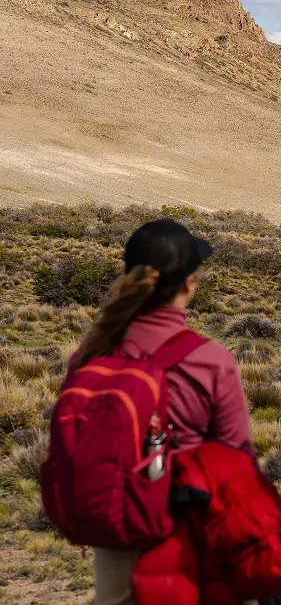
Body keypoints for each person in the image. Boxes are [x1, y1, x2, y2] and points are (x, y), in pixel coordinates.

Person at [68, 219, 253, 605]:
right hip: (187, 538)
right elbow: (237, 462)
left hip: (116, 535)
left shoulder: (91, 352)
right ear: (189, 283)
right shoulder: (211, 361)